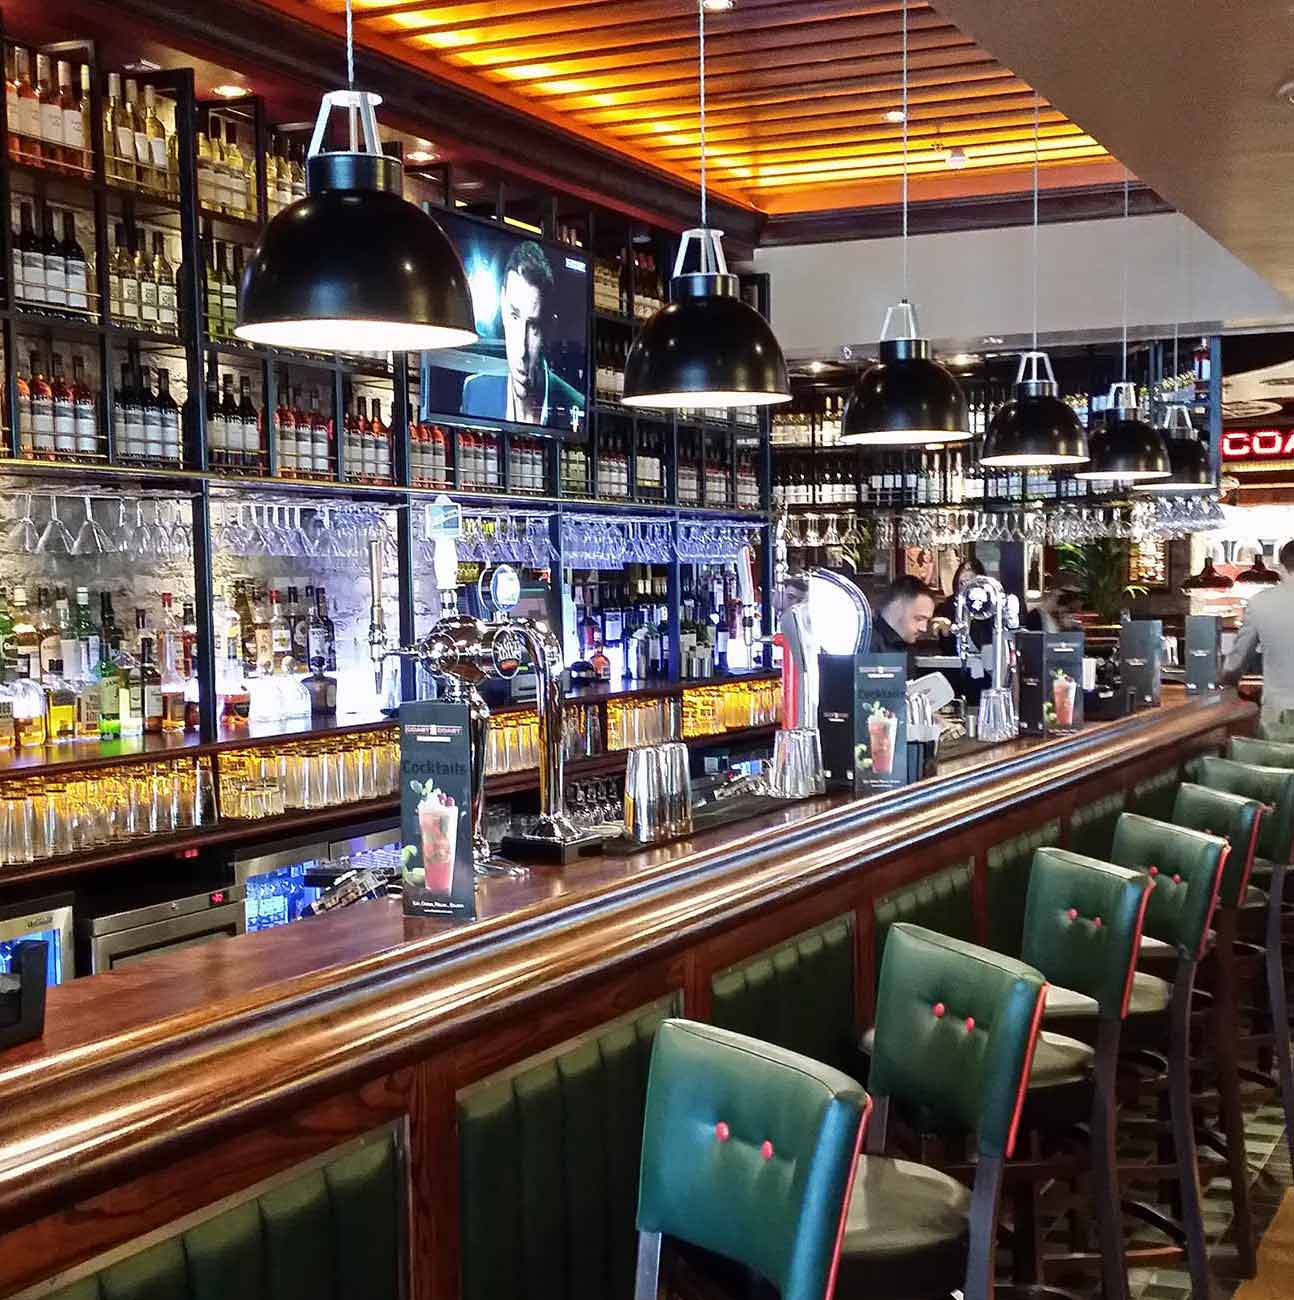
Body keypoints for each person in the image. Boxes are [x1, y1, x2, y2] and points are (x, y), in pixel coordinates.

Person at [462, 241, 583, 428]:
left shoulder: (576, 405)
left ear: (550, 328)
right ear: (502, 305)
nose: (521, 351)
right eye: (514, 316)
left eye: (534, 326)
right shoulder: (475, 391)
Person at [1222, 539, 1294, 739]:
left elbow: (1237, 661)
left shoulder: (1260, 603)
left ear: (1281, 568)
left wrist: (1227, 680)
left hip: (1279, 718)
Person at [872, 575, 936, 654]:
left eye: (927, 621)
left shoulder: (905, 644)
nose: (924, 628)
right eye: (919, 619)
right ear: (896, 608)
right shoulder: (866, 644)